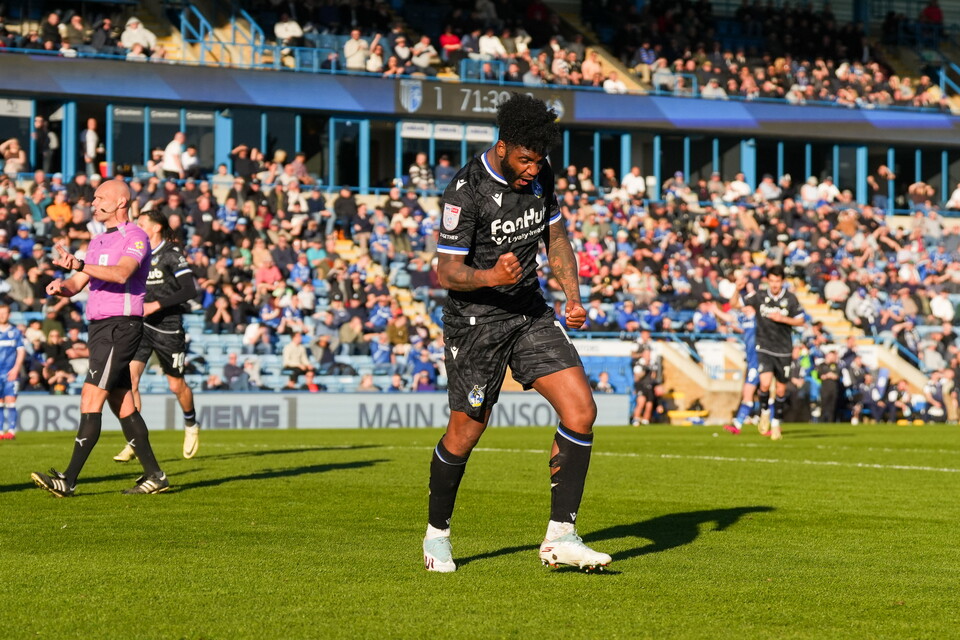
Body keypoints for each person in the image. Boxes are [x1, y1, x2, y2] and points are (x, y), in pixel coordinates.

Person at [424, 94, 610, 573]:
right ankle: (437, 536)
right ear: (503, 146)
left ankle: (561, 538)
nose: (532, 169)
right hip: (476, 321)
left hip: (529, 312)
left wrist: (572, 296)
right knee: (466, 432)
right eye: (525, 159)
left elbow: (557, 237)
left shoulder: (541, 176)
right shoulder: (464, 191)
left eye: (539, 159)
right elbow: (446, 272)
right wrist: (490, 278)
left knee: (582, 410)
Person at [30, 179, 168, 497]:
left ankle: (68, 479)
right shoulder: (97, 241)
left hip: (121, 325)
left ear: (121, 202)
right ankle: (155, 476)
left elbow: (121, 273)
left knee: (91, 397)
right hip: (100, 328)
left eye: (99, 197)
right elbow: (79, 280)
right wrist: (59, 285)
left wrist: (80, 265)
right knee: (123, 404)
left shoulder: (135, 236)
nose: (93, 203)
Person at [113, 210, 200, 464]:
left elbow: (189, 290)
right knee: (131, 381)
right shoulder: (138, 253)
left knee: (176, 385)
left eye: (141, 224)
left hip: (167, 326)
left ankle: (191, 423)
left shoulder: (171, 254)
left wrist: (157, 305)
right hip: (140, 326)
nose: (137, 227)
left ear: (156, 228)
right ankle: (134, 439)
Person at [733, 265, 805, 440]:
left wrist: (783, 319)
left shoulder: (790, 298)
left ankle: (776, 423)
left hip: (784, 349)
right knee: (764, 384)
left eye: (777, 281)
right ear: (767, 281)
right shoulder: (760, 296)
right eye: (771, 281)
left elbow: (801, 321)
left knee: (780, 390)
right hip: (764, 346)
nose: (774, 284)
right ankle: (765, 412)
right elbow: (735, 304)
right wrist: (737, 289)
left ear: (782, 282)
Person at [724, 304, 761, 434]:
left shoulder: (759, 319)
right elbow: (731, 318)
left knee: (750, 392)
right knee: (755, 393)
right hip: (752, 361)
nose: (744, 309)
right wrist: (716, 310)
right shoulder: (746, 320)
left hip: (759, 361)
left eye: (747, 307)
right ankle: (747, 421)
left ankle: (740, 423)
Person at [0, 304, 25, 439]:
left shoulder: (15, 332)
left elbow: (21, 351)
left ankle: (11, 431)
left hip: (10, 373)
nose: (2, 315)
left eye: (4, 313)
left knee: (10, 401)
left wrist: (16, 368)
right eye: (0, 313)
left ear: (9, 315)